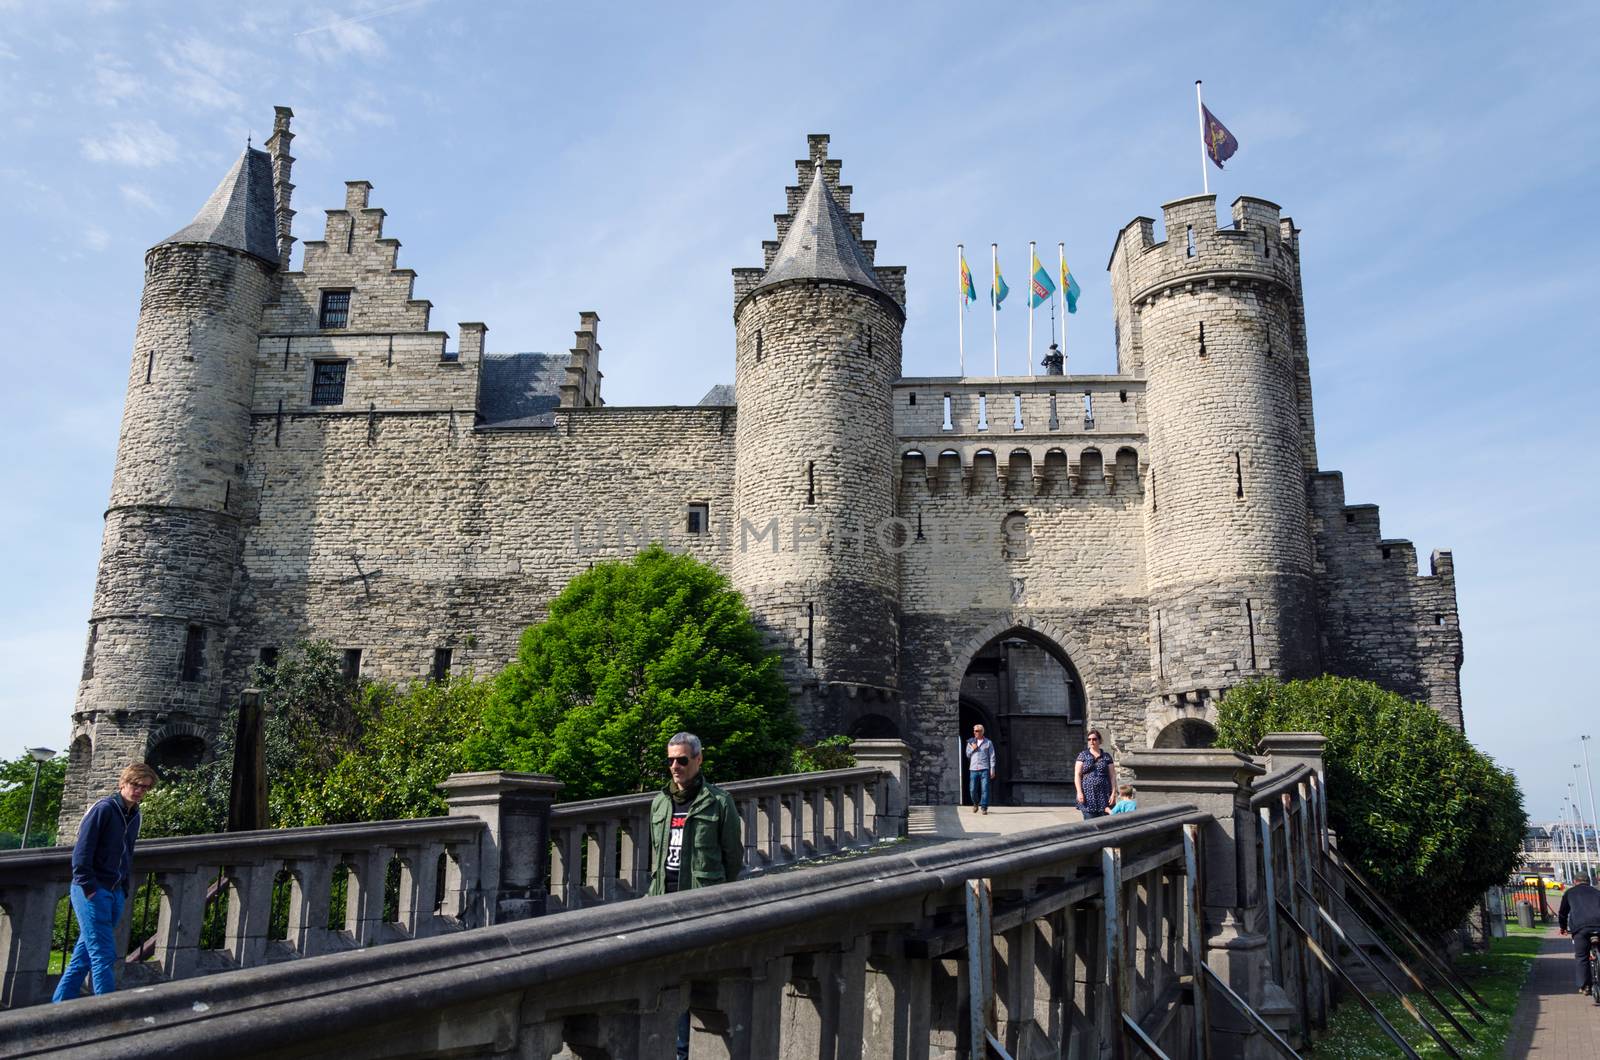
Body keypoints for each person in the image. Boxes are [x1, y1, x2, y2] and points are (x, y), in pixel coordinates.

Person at [648, 733, 743, 1059]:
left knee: (697, 984)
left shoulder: (718, 802)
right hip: (663, 906)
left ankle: (689, 1051)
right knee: (667, 985)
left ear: (699, 760)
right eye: (671, 760)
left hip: (701, 908)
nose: (675, 766)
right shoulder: (659, 803)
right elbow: (657, 857)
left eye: (683, 760)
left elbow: (733, 859)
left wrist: (716, 897)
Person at [52, 762, 157, 1002]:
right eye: (135, 784)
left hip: (115, 891)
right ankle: (107, 1014)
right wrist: (89, 888)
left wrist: (124, 888)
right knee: (103, 955)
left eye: (145, 787)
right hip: (92, 890)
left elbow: (127, 853)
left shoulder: (135, 814)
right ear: (123, 783)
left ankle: (57, 1008)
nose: (139, 790)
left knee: (83, 958)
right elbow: (81, 854)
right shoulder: (104, 809)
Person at [1558, 872, 1600, 994]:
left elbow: (1563, 913)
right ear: (1588, 881)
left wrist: (1563, 927)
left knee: (1581, 957)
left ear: (1575, 881)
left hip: (1581, 928)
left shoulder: (1570, 893)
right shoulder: (1597, 892)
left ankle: (1585, 986)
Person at [1074, 729, 1116, 820]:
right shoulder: (1083, 755)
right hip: (1087, 795)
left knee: (1104, 822)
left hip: (1104, 795)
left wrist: (1113, 793)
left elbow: (1112, 776)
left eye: (1094, 739)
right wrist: (1079, 792)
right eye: (1089, 739)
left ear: (1099, 740)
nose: (1091, 741)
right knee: (1089, 822)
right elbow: (1077, 775)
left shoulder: (1106, 756)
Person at [965, 724, 996, 815]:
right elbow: (967, 755)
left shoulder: (988, 742)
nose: (975, 732)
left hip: (984, 769)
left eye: (977, 731)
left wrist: (992, 769)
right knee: (972, 789)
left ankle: (984, 807)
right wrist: (972, 749)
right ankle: (975, 803)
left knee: (985, 789)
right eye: (974, 731)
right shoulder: (970, 742)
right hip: (973, 769)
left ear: (982, 732)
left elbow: (992, 756)